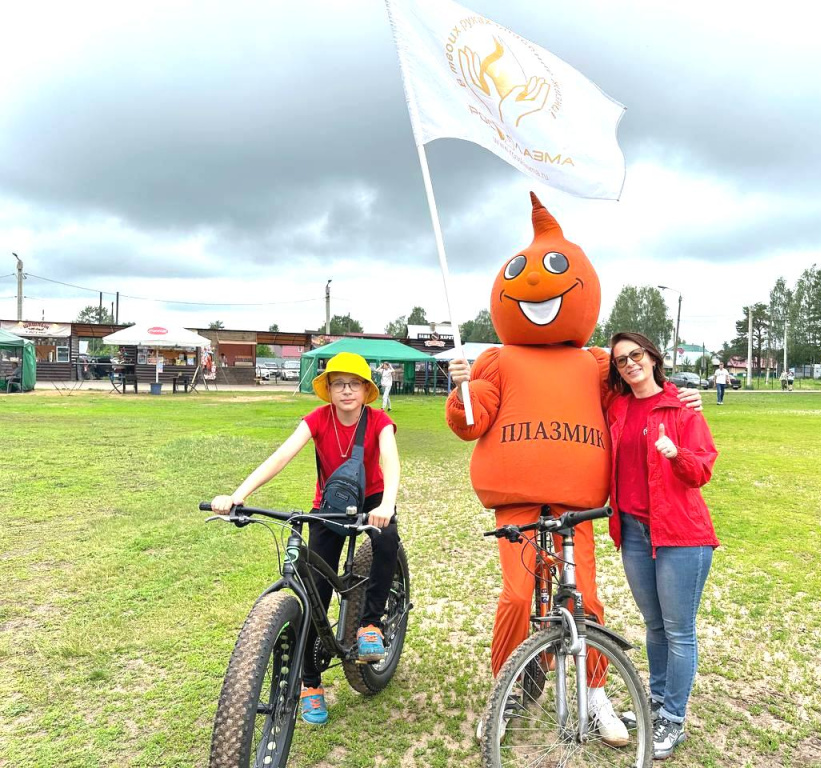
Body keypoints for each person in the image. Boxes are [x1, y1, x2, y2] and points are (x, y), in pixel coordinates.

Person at [446, 192, 703, 744]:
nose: (535, 283)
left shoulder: (596, 363)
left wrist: (680, 401)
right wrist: (461, 390)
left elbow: (640, 391)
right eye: (520, 273)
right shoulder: (497, 359)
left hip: (576, 506)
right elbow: (471, 422)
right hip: (516, 503)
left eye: (556, 270)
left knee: (583, 596)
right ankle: (512, 683)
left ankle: (594, 693)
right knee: (518, 596)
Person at [210, 352, 401, 726]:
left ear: (366, 389)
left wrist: (388, 504)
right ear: (328, 390)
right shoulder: (317, 420)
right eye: (338, 383)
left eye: (354, 384)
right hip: (330, 504)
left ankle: (370, 624)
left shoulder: (379, 420)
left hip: (373, 499)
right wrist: (238, 494)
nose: (346, 390)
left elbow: (391, 463)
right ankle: (309, 683)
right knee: (315, 592)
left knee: (387, 539)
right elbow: (281, 456)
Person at [606, 331, 718, 759]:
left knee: (678, 631)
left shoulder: (681, 409)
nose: (630, 363)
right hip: (633, 530)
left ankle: (673, 718)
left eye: (636, 355)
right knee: (654, 626)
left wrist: (676, 456)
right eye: (620, 360)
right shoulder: (616, 407)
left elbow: (702, 471)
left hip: (681, 535)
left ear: (653, 358)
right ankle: (655, 701)